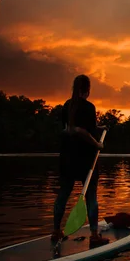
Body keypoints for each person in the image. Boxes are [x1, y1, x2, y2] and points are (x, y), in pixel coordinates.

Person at [51, 74, 109, 248]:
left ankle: (56, 231)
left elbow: (74, 128)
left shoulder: (67, 106)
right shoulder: (89, 106)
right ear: (87, 90)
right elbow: (83, 132)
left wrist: (100, 128)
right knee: (91, 196)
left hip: (68, 158)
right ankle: (94, 235)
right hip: (85, 159)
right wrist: (97, 144)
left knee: (63, 194)